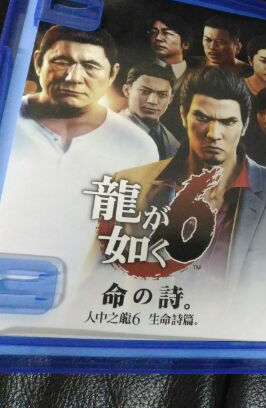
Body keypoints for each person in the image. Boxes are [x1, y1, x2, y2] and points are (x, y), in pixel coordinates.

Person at [110, 66, 266, 335]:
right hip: (151, 336)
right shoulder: (131, 183)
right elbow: (96, 279)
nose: (214, 133)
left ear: (244, 126)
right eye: (202, 118)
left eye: (228, 122)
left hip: (239, 342)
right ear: (183, 116)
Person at [0, 25, 159, 291]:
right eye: (62, 62)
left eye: (90, 66)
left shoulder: (138, 146)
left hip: (81, 300)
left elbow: (132, 238)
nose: (73, 77)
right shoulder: (6, 116)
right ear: (38, 62)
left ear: (112, 73)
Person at [146, 12, 194, 140]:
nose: (158, 38)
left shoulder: (199, 78)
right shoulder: (133, 70)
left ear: (185, 44)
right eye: (154, 32)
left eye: (166, 33)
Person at [120, 63, 180, 158]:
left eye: (162, 95)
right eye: (145, 92)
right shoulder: (110, 130)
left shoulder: (174, 144)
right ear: (127, 90)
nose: (153, 101)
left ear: (170, 99)